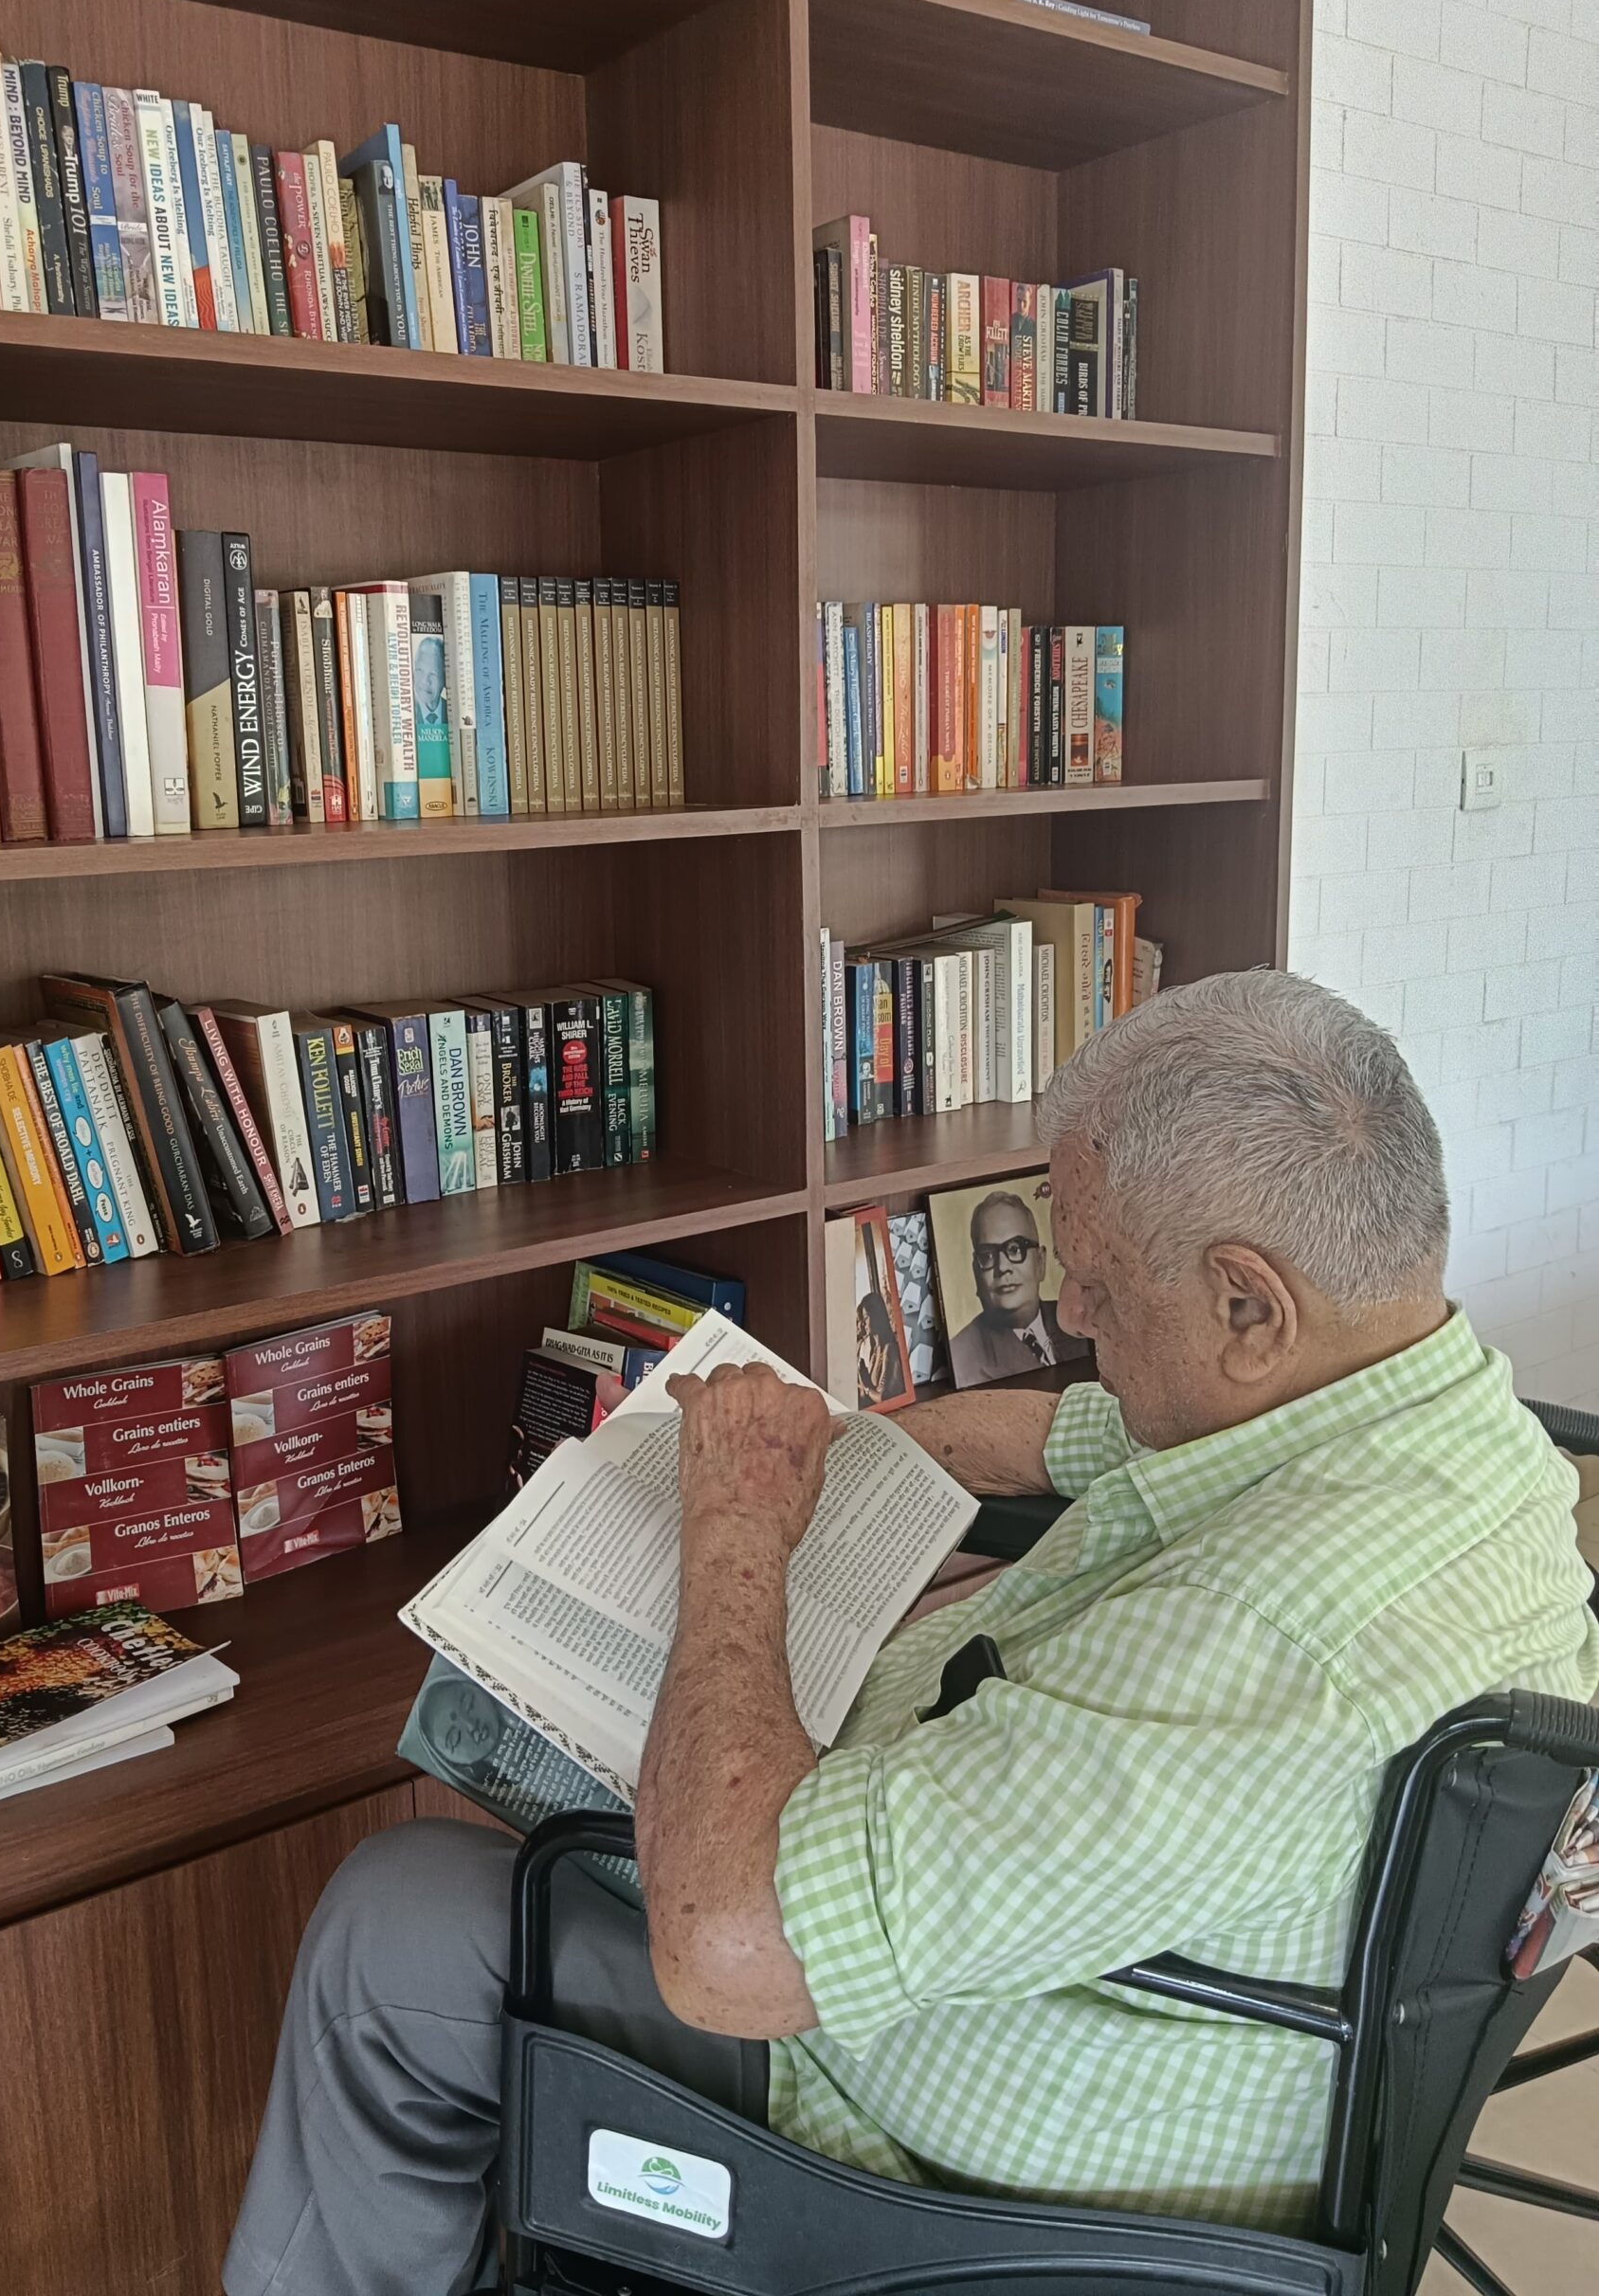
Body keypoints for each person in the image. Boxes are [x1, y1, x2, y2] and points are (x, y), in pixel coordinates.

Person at [225, 971, 1599, 2296]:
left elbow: (727, 1950)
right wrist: (903, 1444)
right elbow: (1113, 1431)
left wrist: (737, 1537)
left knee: (392, 1925)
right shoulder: (1457, 1436)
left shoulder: (1264, 1641)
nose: (1067, 1315)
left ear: (1249, 1305)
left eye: (1101, 1289)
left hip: (963, 2186)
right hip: (1245, 2060)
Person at [947, 1186, 1089, 1383]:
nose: (1002, 1267)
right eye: (987, 1255)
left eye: (1015, 1249)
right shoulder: (963, 1354)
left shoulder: (1080, 1316)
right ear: (976, 1272)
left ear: (1040, 1262)